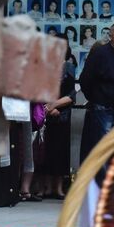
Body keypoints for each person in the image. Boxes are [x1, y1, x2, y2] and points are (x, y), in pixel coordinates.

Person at [79, 22, 114, 168]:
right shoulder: (100, 53)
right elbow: (85, 79)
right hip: (104, 108)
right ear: (111, 35)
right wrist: (96, 99)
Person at [40, 53, 77, 198]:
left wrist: (54, 105)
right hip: (43, 114)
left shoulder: (69, 67)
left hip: (63, 114)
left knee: (61, 151)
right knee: (44, 152)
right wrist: (47, 107)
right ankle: (46, 187)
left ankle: (59, 187)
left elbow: (72, 94)